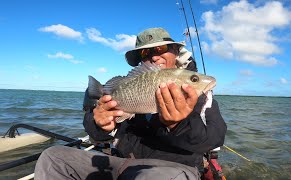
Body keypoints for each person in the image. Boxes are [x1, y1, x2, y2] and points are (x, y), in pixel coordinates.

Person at [34, 27, 227, 180]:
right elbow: (96, 132)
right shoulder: (127, 85)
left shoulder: (201, 96)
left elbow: (214, 138)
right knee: (53, 157)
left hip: (171, 170)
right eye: (145, 53)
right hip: (118, 164)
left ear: (176, 51)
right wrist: (98, 123)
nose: (154, 55)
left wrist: (178, 125)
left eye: (160, 49)